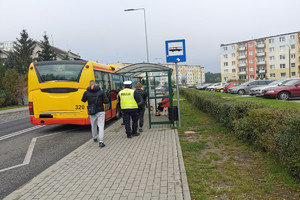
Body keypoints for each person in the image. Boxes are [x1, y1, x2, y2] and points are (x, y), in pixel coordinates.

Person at [81, 80, 109, 147]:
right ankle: (101, 141)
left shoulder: (86, 92)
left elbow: (83, 100)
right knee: (101, 126)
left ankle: (94, 137)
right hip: (100, 111)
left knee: (93, 125)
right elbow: (106, 101)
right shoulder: (101, 92)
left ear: (89, 85)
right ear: (96, 85)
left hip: (92, 111)